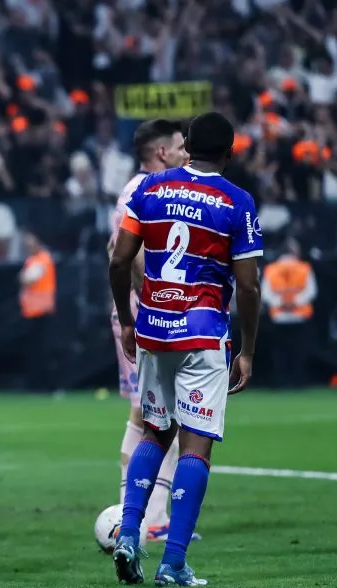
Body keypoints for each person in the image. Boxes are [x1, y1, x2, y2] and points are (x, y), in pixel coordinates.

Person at [108, 112, 263, 587]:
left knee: (155, 433)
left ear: (188, 146)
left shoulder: (148, 190)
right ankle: (173, 562)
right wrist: (248, 349)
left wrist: (130, 321)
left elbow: (119, 258)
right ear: (230, 152)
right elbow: (249, 286)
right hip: (201, 332)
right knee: (195, 446)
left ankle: (129, 535)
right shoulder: (237, 202)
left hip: (154, 328)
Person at [106, 119, 190, 542]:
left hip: (149, 313)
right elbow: (119, 253)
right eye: (179, 146)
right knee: (150, 413)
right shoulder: (139, 191)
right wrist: (147, 300)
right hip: (143, 315)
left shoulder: (155, 190)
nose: (185, 152)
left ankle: (149, 515)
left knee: (156, 412)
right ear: (161, 153)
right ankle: (141, 515)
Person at [260, 237, 317, 389]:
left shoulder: (271, 269)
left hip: (279, 317)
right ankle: (297, 382)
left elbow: (265, 294)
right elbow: (311, 291)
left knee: (280, 354)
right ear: (294, 251)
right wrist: (294, 303)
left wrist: (281, 303)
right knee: (298, 352)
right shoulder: (304, 268)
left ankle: (281, 382)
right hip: (299, 317)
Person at [18, 230, 57, 393]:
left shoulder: (43, 259)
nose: (27, 244)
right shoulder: (32, 260)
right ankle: (35, 384)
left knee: (42, 351)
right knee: (34, 351)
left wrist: (22, 278)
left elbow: (26, 279)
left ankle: (46, 386)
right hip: (32, 312)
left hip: (42, 312)